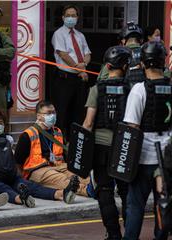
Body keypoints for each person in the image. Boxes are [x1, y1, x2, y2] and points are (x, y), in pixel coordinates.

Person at [0, 109, 80, 206]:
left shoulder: (8, 140)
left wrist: (18, 175)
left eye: (0, 123)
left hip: (10, 177)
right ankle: (22, 199)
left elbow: (11, 160)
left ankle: (61, 194)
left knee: (32, 186)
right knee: (4, 190)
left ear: (4, 125)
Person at [122, 41, 171, 240]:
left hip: (143, 159)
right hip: (167, 161)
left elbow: (131, 128)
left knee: (135, 207)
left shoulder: (139, 90)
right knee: (164, 204)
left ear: (142, 63)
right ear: (163, 62)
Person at [83, 46, 132, 239]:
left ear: (107, 66)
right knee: (127, 191)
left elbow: (88, 123)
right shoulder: (132, 90)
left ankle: (113, 235)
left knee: (104, 191)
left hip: (101, 149)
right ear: (126, 66)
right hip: (125, 146)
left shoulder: (96, 89)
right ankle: (131, 231)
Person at [15, 100, 94, 198]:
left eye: (54, 112)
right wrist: (22, 181)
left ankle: (96, 185)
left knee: (78, 174)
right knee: (61, 179)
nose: (52, 115)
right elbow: (17, 161)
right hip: (37, 170)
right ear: (39, 116)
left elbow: (65, 155)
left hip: (58, 165)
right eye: (48, 113)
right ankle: (87, 190)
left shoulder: (58, 132)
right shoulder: (27, 135)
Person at [51, 5, 92, 139]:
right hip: (65, 78)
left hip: (79, 79)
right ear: (63, 17)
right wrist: (78, 68)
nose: (71, 18)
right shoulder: (59, 34)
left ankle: (75, 143)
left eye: (73, 15)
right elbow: (63, 54)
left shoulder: (80, 35)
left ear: (77, 18)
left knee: (79, 112)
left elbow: (87, 53)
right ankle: (61, 144)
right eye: (68, 15)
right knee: (62, 112)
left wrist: (84, 65)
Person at [98, 22, 144, 86]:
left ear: (123, 40)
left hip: (123, 93)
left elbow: (101, 79)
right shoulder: (148, 53)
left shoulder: (116, 55)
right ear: (141, 40)